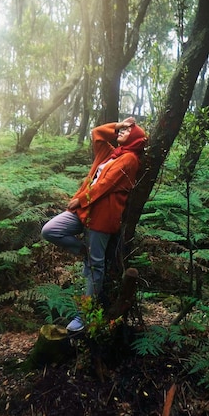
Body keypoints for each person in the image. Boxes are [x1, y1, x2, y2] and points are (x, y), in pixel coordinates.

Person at [41, 117, 147, 332]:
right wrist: (118, 125)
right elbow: (98, 132)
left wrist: (80, 199)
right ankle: (86, 253)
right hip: (84, 212)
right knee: (50, 230)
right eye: (121, 130)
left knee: (95, 268)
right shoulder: (110, 154)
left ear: (135, 139)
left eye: (127, 131)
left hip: (103, 216)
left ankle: (83, 317)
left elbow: (106, 185)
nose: (121, 133)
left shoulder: (130, 160)